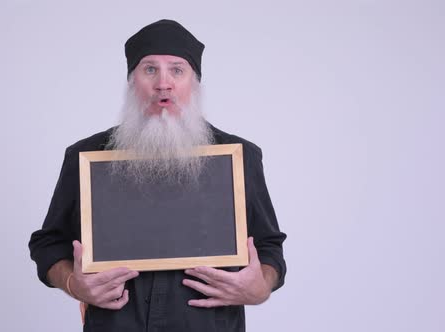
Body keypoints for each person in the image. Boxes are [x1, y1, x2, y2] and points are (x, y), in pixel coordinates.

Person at [29, 19, 287, 332]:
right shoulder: (86, 156)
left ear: (194, 83)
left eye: (177, 70)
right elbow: (48, 243)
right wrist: (72, 283)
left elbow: (269, 247)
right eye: (149, 69)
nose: (163, 83)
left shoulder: (238, 156)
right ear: (131, 81)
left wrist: (259, 288)